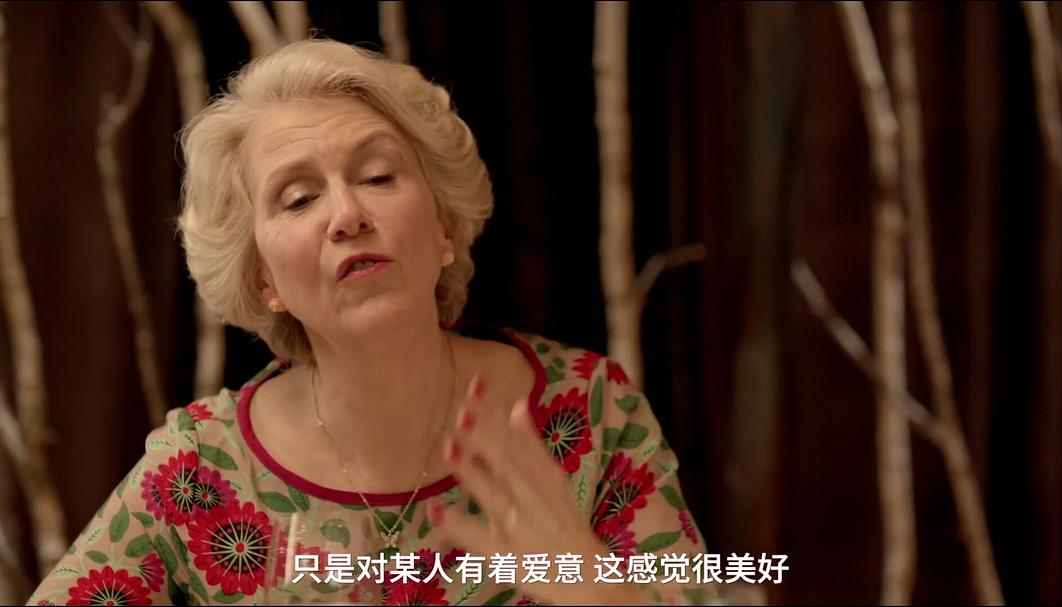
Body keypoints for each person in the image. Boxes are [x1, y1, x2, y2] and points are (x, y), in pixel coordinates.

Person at [28, 39, 721, 606]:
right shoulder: (200, 472)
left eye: (379, 177)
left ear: (443, 224)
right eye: (299, 198)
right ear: (263, 279)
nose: (347, 215)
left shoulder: (591, 414)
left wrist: (601, 592)